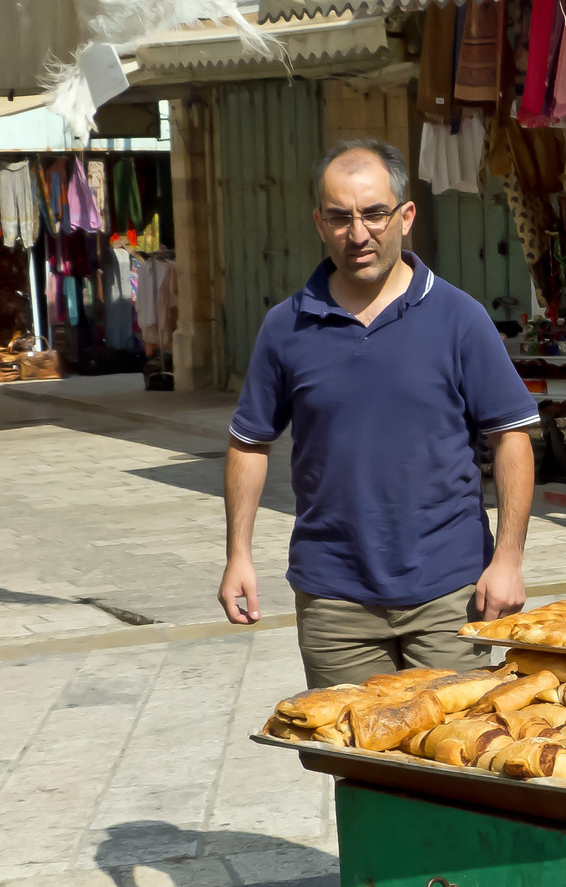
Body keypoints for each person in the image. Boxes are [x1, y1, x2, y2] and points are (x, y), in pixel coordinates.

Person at [217, 138, 538, 688]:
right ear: (320, 223)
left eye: (374, 214)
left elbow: (512, 438)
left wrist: (507, 558)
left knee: (451, 761)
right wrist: (237, 555)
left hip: (449, 593)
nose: (358, 234)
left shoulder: (460, 317)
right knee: (352, 761)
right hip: (334, 600)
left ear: (406, 216)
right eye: (340, 218)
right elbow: (250, 443)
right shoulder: (285, 327)